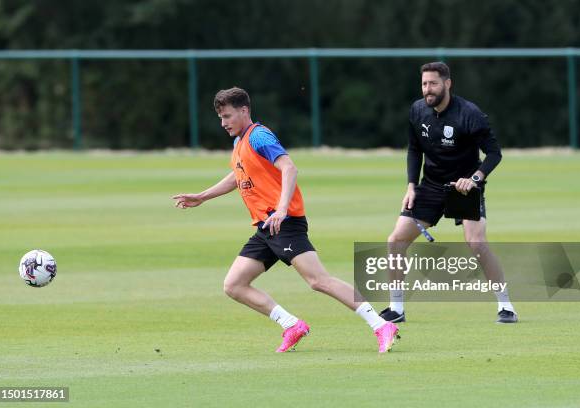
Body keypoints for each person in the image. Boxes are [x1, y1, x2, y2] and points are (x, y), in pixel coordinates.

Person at [173, 87, 399, 352]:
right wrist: (203, 196)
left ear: (244, 111)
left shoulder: (259, 136)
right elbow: (237, 175)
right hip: (266, 227)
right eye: (221, 117)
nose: (223, 123)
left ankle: (381, 324)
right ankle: (291, 325)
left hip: (284, 222)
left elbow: (289, 167)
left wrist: (281, 209)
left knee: (319, 281)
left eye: (227, 116)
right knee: (234, 285)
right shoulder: (239, 142)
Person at [380, 62, 518, 324]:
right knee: (395, 240)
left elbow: (494, 154)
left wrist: (475, 179)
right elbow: (414, 150)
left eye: (433, 83)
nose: (427, 89)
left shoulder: (470, 114)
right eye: (424, 84)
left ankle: (506, 306)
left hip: (463, 187)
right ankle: (396, 308)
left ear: (447, 84)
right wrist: (411, 186)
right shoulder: (418, 110)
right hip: (430, 186)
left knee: (476, 243)